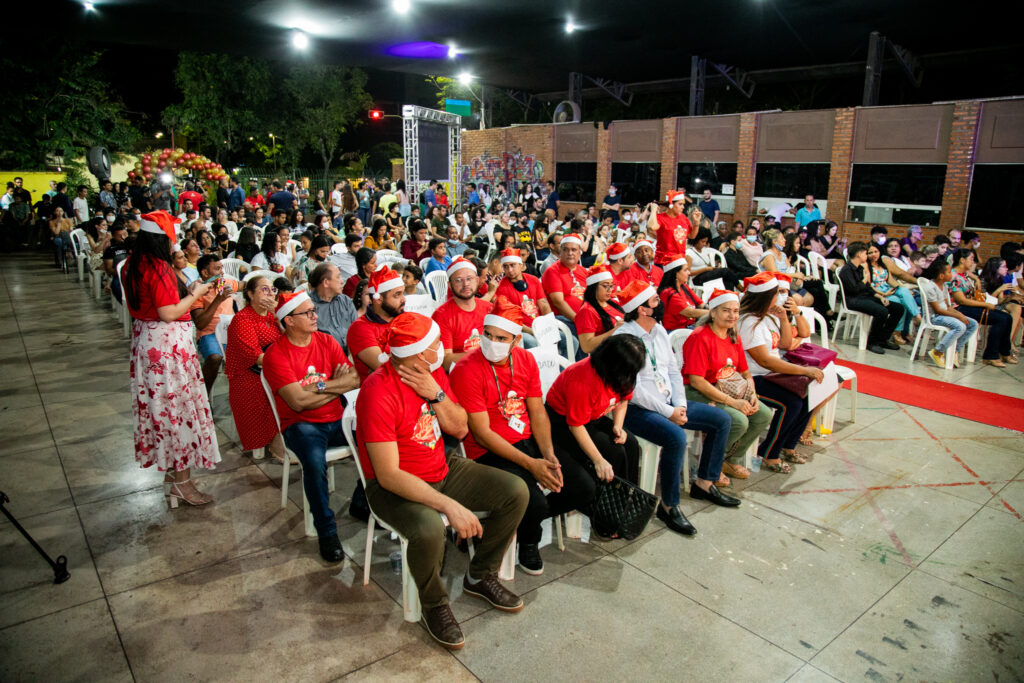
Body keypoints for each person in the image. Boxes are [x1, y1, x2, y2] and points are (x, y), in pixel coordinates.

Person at [357, 312, 529, 650]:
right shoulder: (377, 391)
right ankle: (433, 604)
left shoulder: (432, 373)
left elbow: (460, 428)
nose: (442, 349)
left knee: (515, 491)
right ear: (420, 352)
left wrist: (436, 394)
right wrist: (449, 506)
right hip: (394, 487)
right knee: (429, 528)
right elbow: (389, 474)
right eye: (436, 344)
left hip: (441, 468)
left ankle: (479, 574)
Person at [450, 297, 591, 574]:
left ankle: (511, 523)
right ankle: (529, 538)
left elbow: (537, 412)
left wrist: (548, 455)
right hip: (488, 451)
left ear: (516, 341)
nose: (492, 342)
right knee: (533, 499)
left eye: (501, 338)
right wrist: (531, 465)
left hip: (526, 441)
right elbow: (481, 433)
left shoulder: (525, 359)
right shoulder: (467, 369)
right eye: (488, 335)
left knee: (582, 487)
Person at [615, 280, 738, 536]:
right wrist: (667, 411)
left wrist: (679, 405)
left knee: (721, 419)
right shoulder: (623, 338)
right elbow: (631, 391)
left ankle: (704, 482)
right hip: (636, 409)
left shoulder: (658, 329)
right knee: (675, 437)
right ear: (642, 310)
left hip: (669, 402)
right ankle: (669, 506)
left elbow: (672, 370)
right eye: (654, 302)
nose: (660, 304)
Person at [122, 211, 219, 508]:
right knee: (178, 412)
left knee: (161, 409)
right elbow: (169, 312)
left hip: (146, 341)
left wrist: (185, 293)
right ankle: (182, 483)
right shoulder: (159, 267)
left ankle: (173, 474)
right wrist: (199, 293)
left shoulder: (130, 265)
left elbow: (156, 304)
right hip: (168, 347)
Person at [263, 291, 360, 562]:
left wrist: (319, 386)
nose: (315, 315)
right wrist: (334, 388)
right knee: (315, 464)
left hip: (338, 419)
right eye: (307, 313)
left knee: (376, 437)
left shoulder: (326, 340)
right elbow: (298, 403)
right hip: (302, 426)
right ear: (289, 321)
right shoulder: (276, 355)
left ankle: (363, 501)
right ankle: (326, 530)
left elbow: (354, 378)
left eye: (312, 310)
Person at [683, 289, 773, 479]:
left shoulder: (733, 337)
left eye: (735, 311)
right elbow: (696, 381)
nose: (732, 316)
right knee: (738, 421)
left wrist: (752, 395)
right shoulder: (700, 337)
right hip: (698, 391)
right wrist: (733, 403)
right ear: (713, 312)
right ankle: (708, 465)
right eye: (726, 310)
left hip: (728, 388)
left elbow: (745, 373)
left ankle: (728, 460)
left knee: (762, 414)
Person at [737, 273, 824, 470]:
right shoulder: (748, 321)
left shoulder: (767, 316)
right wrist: (804, 371)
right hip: (754, 377)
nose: (781, 298)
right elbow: (766, 361)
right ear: (766, 297)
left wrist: (784, 318)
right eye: (777, 294)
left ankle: (787, 446)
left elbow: (785, 344)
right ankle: (769, 453)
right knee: (790, 403)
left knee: (808, 396)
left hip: (771, 374)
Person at [545, 335, 643, 504]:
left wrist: (618, 426)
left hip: (592, 417)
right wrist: (599, 461)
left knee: (631, 443)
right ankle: (607, 509)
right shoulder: (583, 379)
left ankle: (627, 499)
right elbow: (575, 425)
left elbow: (623, 399)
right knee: (613, 452)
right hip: (561, 423)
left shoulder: (624, 374)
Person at [226, 275, 286, 459]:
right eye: (264, 289)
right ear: (250, 294)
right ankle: (274, 442)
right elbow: (256, 357)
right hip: (249, 374)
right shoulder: (243, 319)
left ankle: (288, 437)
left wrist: (278, 316)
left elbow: (291, 339)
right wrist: (286, 361)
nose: (270, 294)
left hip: (273, 367)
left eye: (272, 290)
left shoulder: (272, 316)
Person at [947, 249, 1016, 367]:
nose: (973, 262)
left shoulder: (966, 275)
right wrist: (986, 305)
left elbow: (979, 294)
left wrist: (976, 279)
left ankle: (1004, 352)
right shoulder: (954, 276)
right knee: (1001, 319)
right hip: (959, 308)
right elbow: (961, 300)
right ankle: (990, 356)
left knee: (1007, 317)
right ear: (962, 260)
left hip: (969, 305)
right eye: (971, 259)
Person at [838, 242, 905, 354]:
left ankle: (882, 339)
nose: (867, 256)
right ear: (859, 254)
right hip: (853, 300)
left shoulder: (858, 268)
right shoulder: (847, 270)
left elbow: (868, 288)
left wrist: (880, 296)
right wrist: (865, 279)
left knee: (898, 308)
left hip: (864, 297)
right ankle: (871, 342)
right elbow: (854, 290)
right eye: (865, 253)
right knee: (882, 311)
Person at [189, 254, 238, 397]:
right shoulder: (197, 290)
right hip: (209, 333)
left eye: (221, 268)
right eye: (217, 269)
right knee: (215, 358)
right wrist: (218, 300)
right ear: (205, 273)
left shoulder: (225, 283)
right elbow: (200, 323)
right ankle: (204, 397)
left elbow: (243, 285)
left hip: (231, 331)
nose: (222, 272)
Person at [346, 266, 406, 382]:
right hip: (380, 392)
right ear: (378, 299)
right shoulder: (359, 328)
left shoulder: (407, 318)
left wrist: (392, 358)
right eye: (397, 295)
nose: (403, 299)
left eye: (403, 293)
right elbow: (384, 367)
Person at [432, 258, 492, 368]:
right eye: (459, 280)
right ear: (450, 285)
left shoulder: (489, 308)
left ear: (477, 281)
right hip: (461, 371)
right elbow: (445, 361)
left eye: (469, 278)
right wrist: (481, 355)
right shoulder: (442, 315)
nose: (466, 284)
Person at [919, 260, 979, 368]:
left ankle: (955, 351)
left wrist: (960, 315)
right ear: (941, 276)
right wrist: (958, 316)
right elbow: (938, 310)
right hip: (935, 317)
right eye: (949, 272)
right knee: (960, 326)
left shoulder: (945, 286)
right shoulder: (930, 288)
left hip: (944, 314)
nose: (952, 274)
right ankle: (938, 351)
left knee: (972, 323)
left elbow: (948, 307)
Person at [493, 247, 550, 347]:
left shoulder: (534, 280)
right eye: (505, 266)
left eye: (512, 265)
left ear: (521, 265)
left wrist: (550, 325)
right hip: (519, 330)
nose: (509, 270)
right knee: (533, 342)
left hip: (539, 326)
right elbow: (511, 319)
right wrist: (533, 332)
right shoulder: (501, 287)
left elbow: (544, 305)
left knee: (571, 341)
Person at [865, 242, 920, 345]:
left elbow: (891, 280)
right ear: (866, 254)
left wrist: (903, 290)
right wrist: (882, 294)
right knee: (899, 304)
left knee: (904, 292)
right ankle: (897, 332)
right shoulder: (865, 265)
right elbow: (868, 285)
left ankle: (917, 316)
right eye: (870, 252)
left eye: (876, 252)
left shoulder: (883, 263)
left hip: (888, 289)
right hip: (877, 292)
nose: (873, 254)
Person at [540, 232, 588, 332]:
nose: (570, 253)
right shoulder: (552, 271)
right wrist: (578, 320)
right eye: (565, 249)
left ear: (580, 252)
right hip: (562, 319)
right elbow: (558, 303)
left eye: (573, 250)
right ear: (560, 252)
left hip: (584, 317)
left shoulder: (584, 271)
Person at [575, 265, 625, 354]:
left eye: (611, 286)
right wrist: (615, 331)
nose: (610, 290)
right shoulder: (587, 311)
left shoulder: (613, 303)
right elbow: (586, 346)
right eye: (606, 286)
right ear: (594, 287)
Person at [309, 262, 358, 351]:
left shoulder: (345, 300)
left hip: (353, 354)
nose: (342, 281)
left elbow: (357, 331)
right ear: (326, 282)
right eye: (338, 277)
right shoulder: (308, 306)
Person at [646, 191, 697, 267]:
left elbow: (692, 236)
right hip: (663, 261)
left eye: (683, 204)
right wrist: (653, 210)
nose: (683, 207)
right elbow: (651, 226)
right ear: (671, 205)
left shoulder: (683, 218)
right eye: (680, 204)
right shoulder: (661, 217)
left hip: (680, 260)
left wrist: (696, 223)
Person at [658, 257, 708, 331]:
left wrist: (714, 309)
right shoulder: (668, 293)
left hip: (690, 326)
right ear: (675, 274)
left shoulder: (684, 286)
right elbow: (691, 313)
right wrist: (715, 313)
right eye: (685, 270)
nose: (689, 273)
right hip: (677, 332)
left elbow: (701, 304)